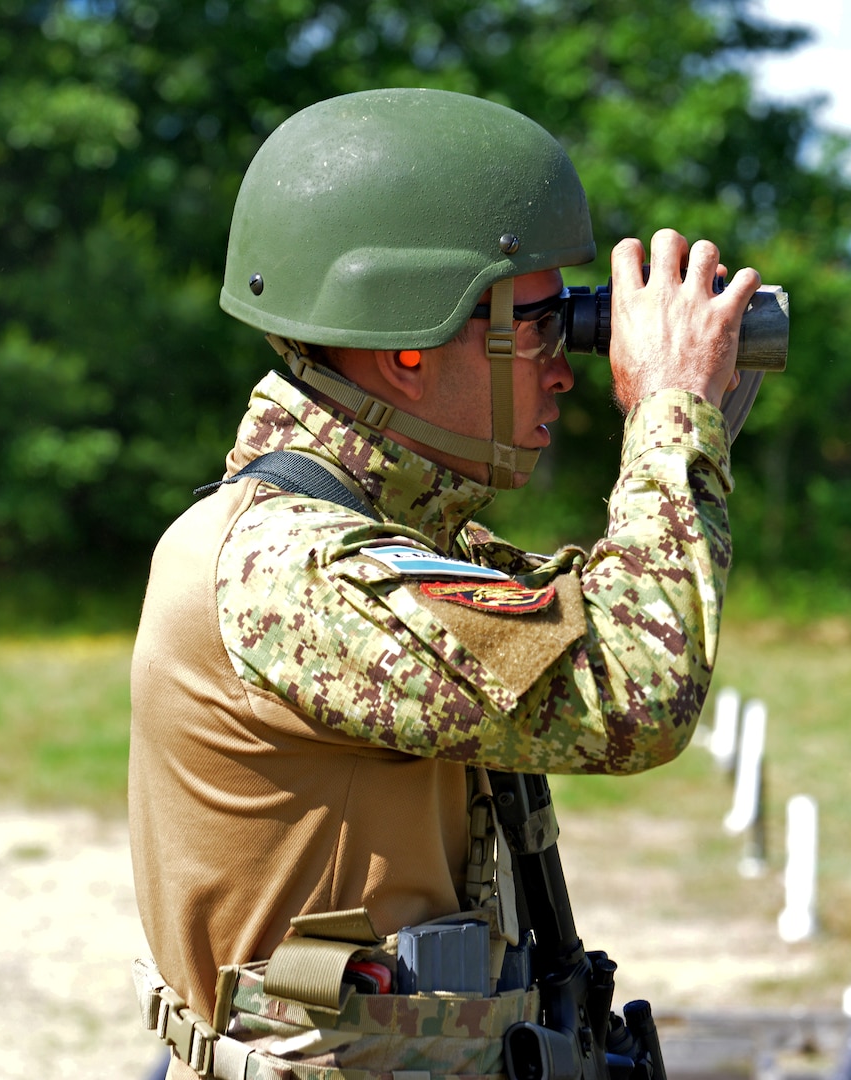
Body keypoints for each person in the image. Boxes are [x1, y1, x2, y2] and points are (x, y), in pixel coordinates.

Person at [127, 87, 761, 1079]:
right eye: (542, 322)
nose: (567, 365)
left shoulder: (389, 547)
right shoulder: (290, 571)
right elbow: (636, 691)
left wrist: (688, 424)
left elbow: (603, 613)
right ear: (407, 345)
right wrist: (674, 411)